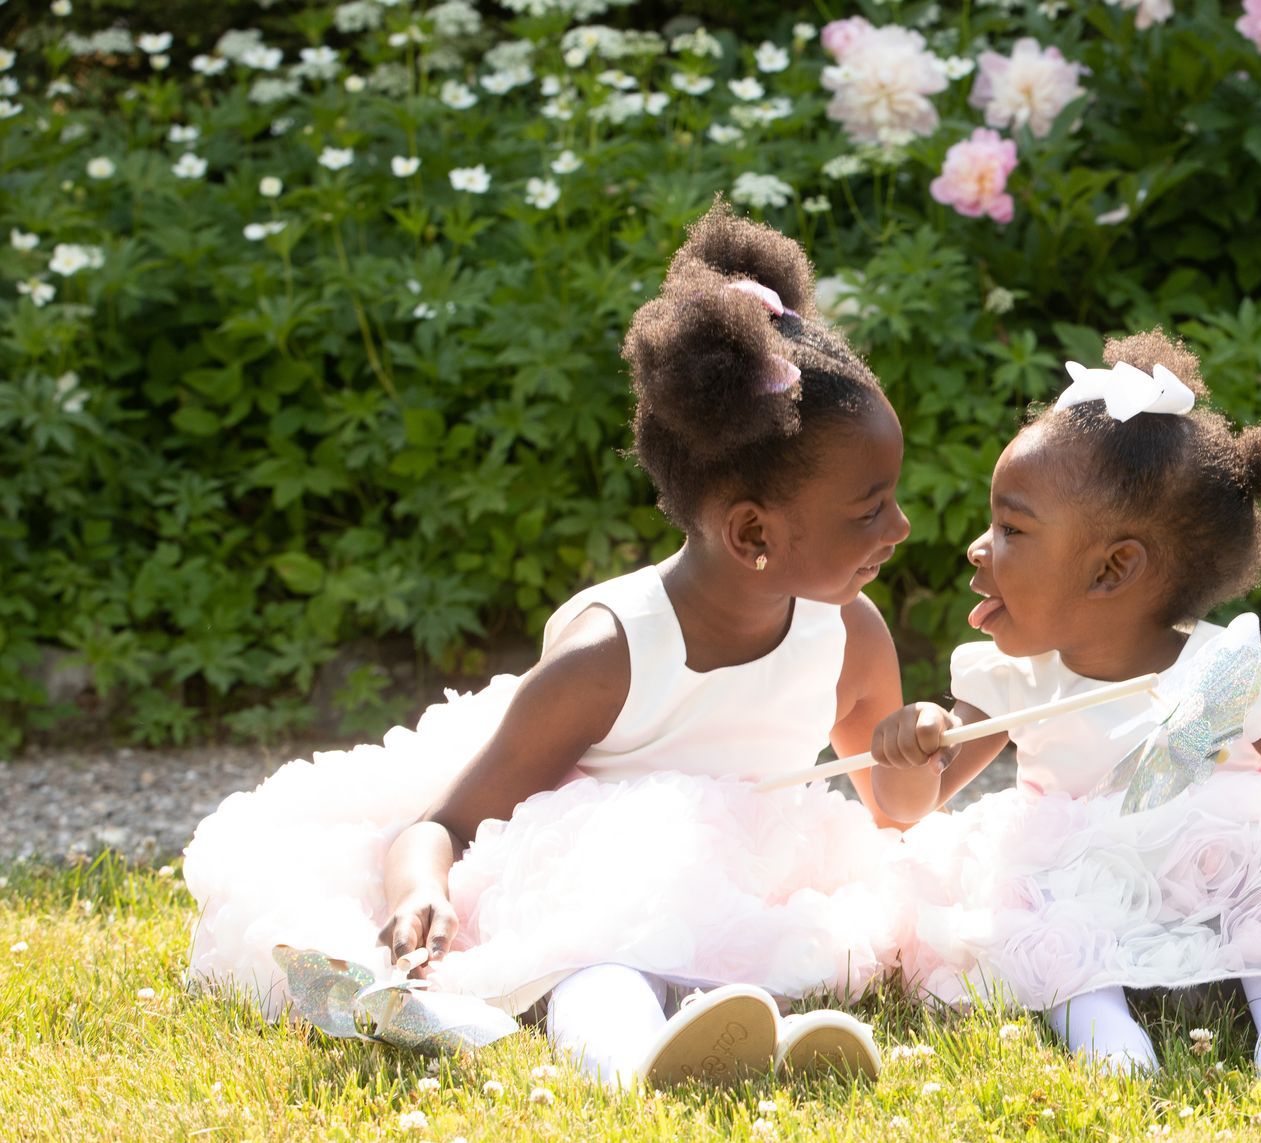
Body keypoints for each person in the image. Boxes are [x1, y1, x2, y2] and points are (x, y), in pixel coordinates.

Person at [186, 204, 916, 1087]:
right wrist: (422, 890)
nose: (901, 525)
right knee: (600, 961)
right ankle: (627, 1059)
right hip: (585, 877)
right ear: (753, 532)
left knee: (803, 941)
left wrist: (940, 735)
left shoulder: (849, 635)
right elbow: (444, 825)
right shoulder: (609, 657)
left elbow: (896, 806)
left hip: (741, 881)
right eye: (869, 507)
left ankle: (755, 1035)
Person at [870, 330, 1261, 1075]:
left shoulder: (1234, 670)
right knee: (1041, 926)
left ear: (1113, 569)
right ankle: (1107, 1040)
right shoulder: (1009, 682)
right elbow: (905, 807)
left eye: (1012, 529)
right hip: (1081, 887)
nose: (977, 547)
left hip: (1216, 882)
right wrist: (912, 745)